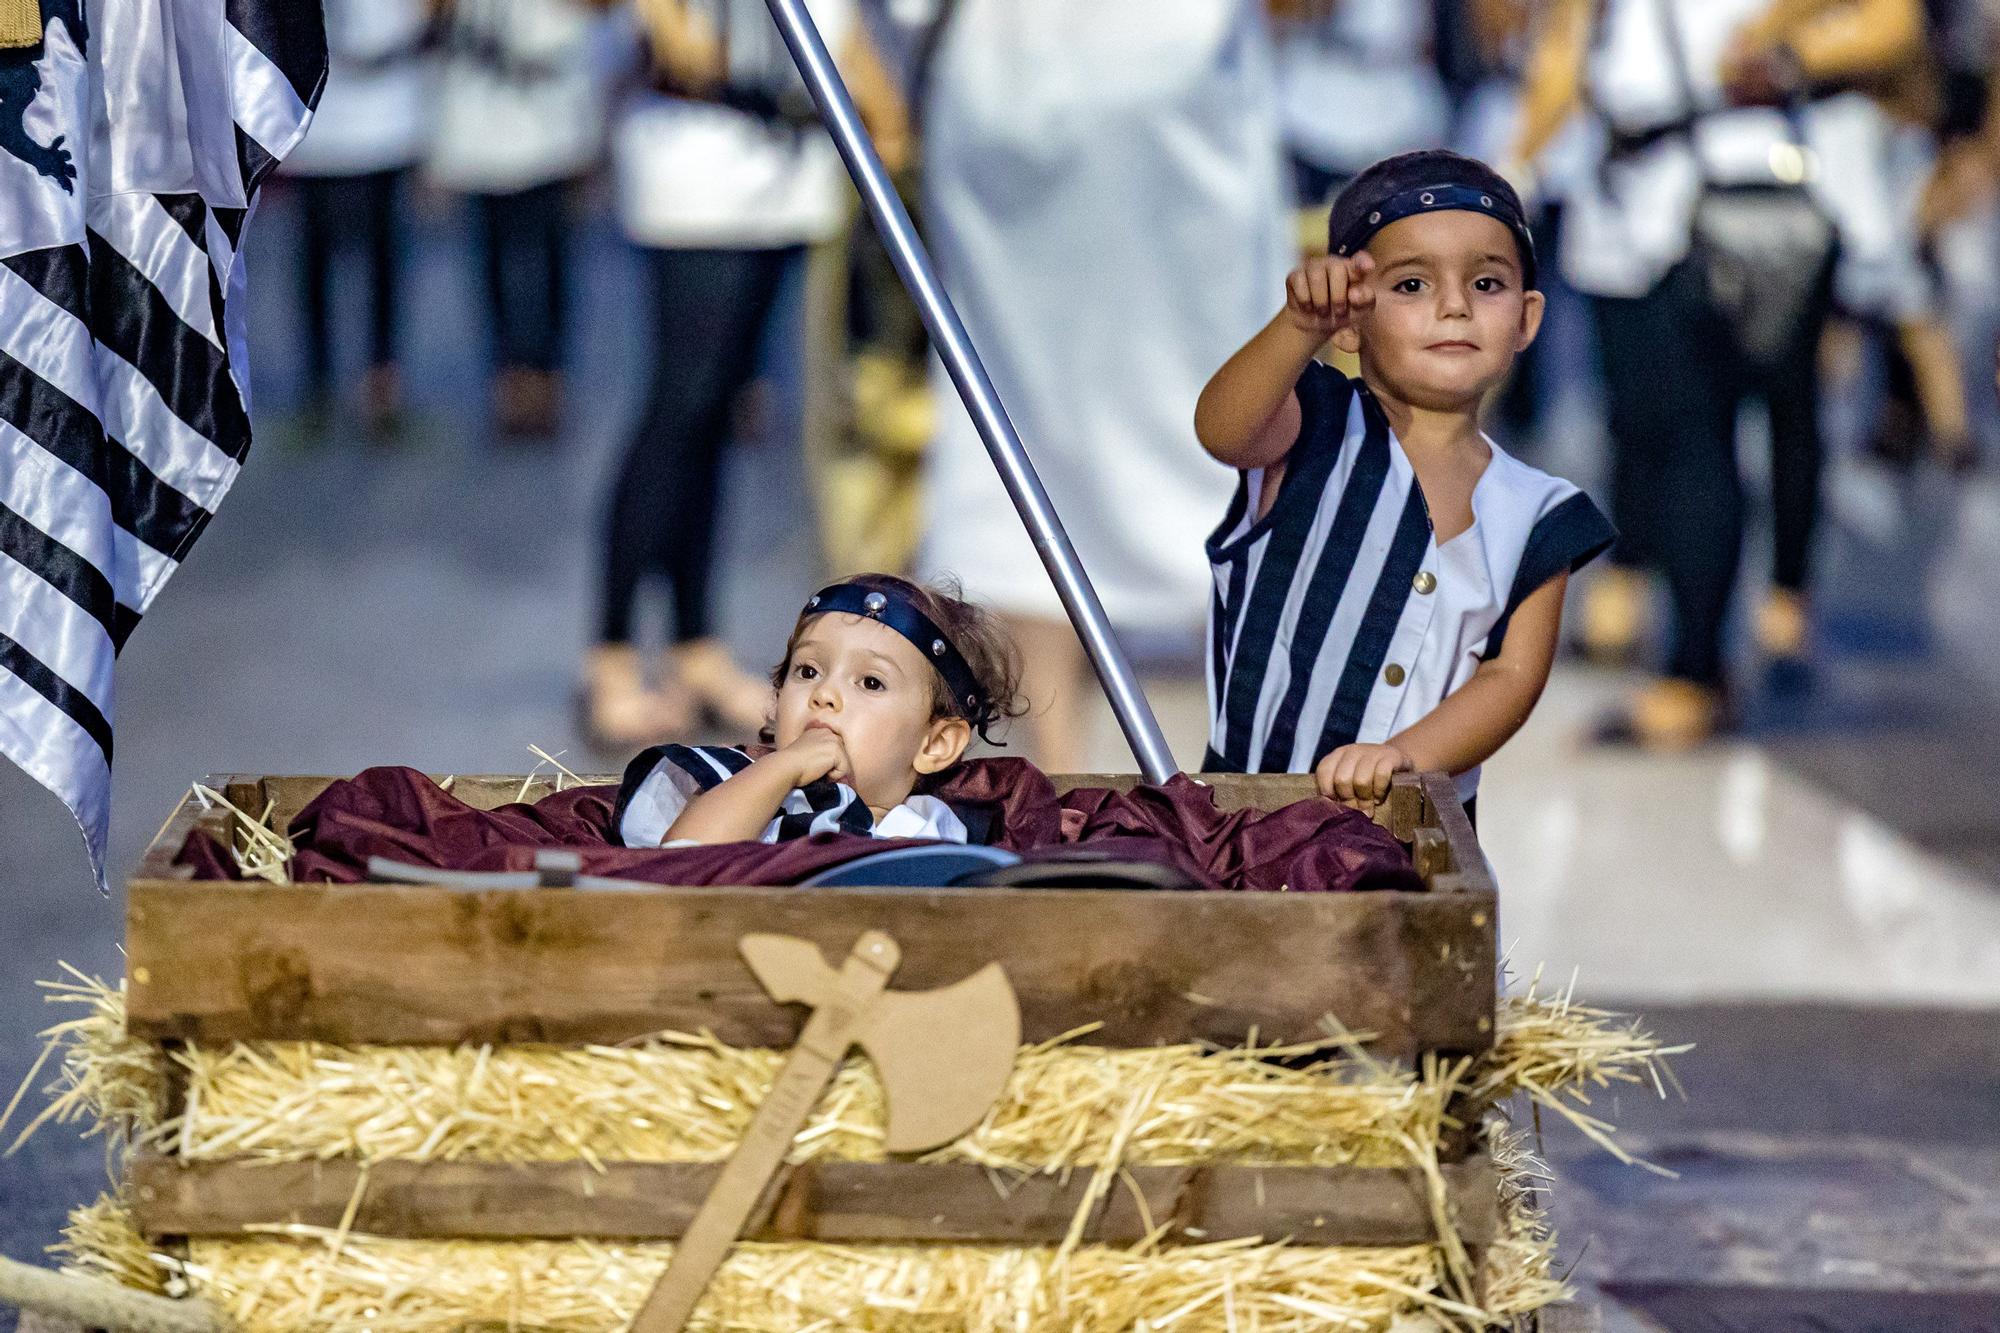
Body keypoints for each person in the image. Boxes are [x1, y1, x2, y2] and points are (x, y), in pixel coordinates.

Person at [1513, 0, 1917, 744]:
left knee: (1711, 433)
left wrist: (1784, 51)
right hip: (1622, 206)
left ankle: (1700, 666)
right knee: (1642, 426)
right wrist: (1508, 175)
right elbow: (1563, 58)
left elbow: (1892, 21)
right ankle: (1662, 623)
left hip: (1714, 205)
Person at [915, 0, 1293, 773]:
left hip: (1014, 76)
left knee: (1021, 422)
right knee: (1204, 415)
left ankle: (1060, 777)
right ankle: (1243, 777)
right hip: (1162, 73)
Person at [1194, 150, 1613, 815]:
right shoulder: (1313, 426)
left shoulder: (1540, 514)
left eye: (1486, 285)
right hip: (1246, 820)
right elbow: (1222, 429)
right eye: (1412, 285)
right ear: (1351, 320)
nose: (1453, 307)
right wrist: (1298, 328)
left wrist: (1405, 755)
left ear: (1528, 318)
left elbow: (1511, 678)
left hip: (1413, 846)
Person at [586, 0, 910, 748]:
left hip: (789, 172)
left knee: (715, 417)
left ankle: (695, 647)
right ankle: (609, 658)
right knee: (676, 411)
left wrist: (884, 114)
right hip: (696, 162)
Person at [615, 574, 1025, 846]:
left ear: (935, 743)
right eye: (808, 671)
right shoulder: (734, 787)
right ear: (775, 706)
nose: (825, 693)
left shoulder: (930, 830)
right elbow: (684, 861)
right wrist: (784, 767)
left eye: (870, 682)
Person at [426, 0, 612, 438]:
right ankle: (509, 376)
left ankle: (547, 375)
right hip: (479, 108)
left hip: (550, 107)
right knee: (491, 254)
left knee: (552, 252)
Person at [284, 0, 432, 434]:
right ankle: (317, 386)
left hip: (386, 113)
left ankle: (381, 383)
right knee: (315, 258)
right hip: (320, 117)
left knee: (384, 256)